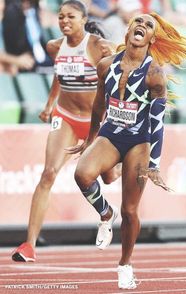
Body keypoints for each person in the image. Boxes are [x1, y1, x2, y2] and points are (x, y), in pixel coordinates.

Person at [66, 12, 186, 289]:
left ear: (152, 38)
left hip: (139, 142)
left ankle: (125, 264)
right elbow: (98, 105)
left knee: (130, 211)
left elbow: (158, 123)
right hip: (111, 134)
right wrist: (90, 139)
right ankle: (105, 214)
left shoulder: (154, 76)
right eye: (138, 22)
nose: (142, 25)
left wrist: (154, 163)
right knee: (82, 174)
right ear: (128, 31)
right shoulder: (106, 65)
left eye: (149, 25)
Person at [11, 0, 120, 262]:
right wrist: (50, 104)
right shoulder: (54, 46)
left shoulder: (97, 46)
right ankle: (29, 245)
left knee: (109, 178)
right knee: (48, 174)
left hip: (97, 121)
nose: (64, 21)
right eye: (60, 17)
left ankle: (106, 211)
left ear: (83, 19)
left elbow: (120, 68)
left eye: (70, 16)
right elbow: (59, 74)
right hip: (67, 118)